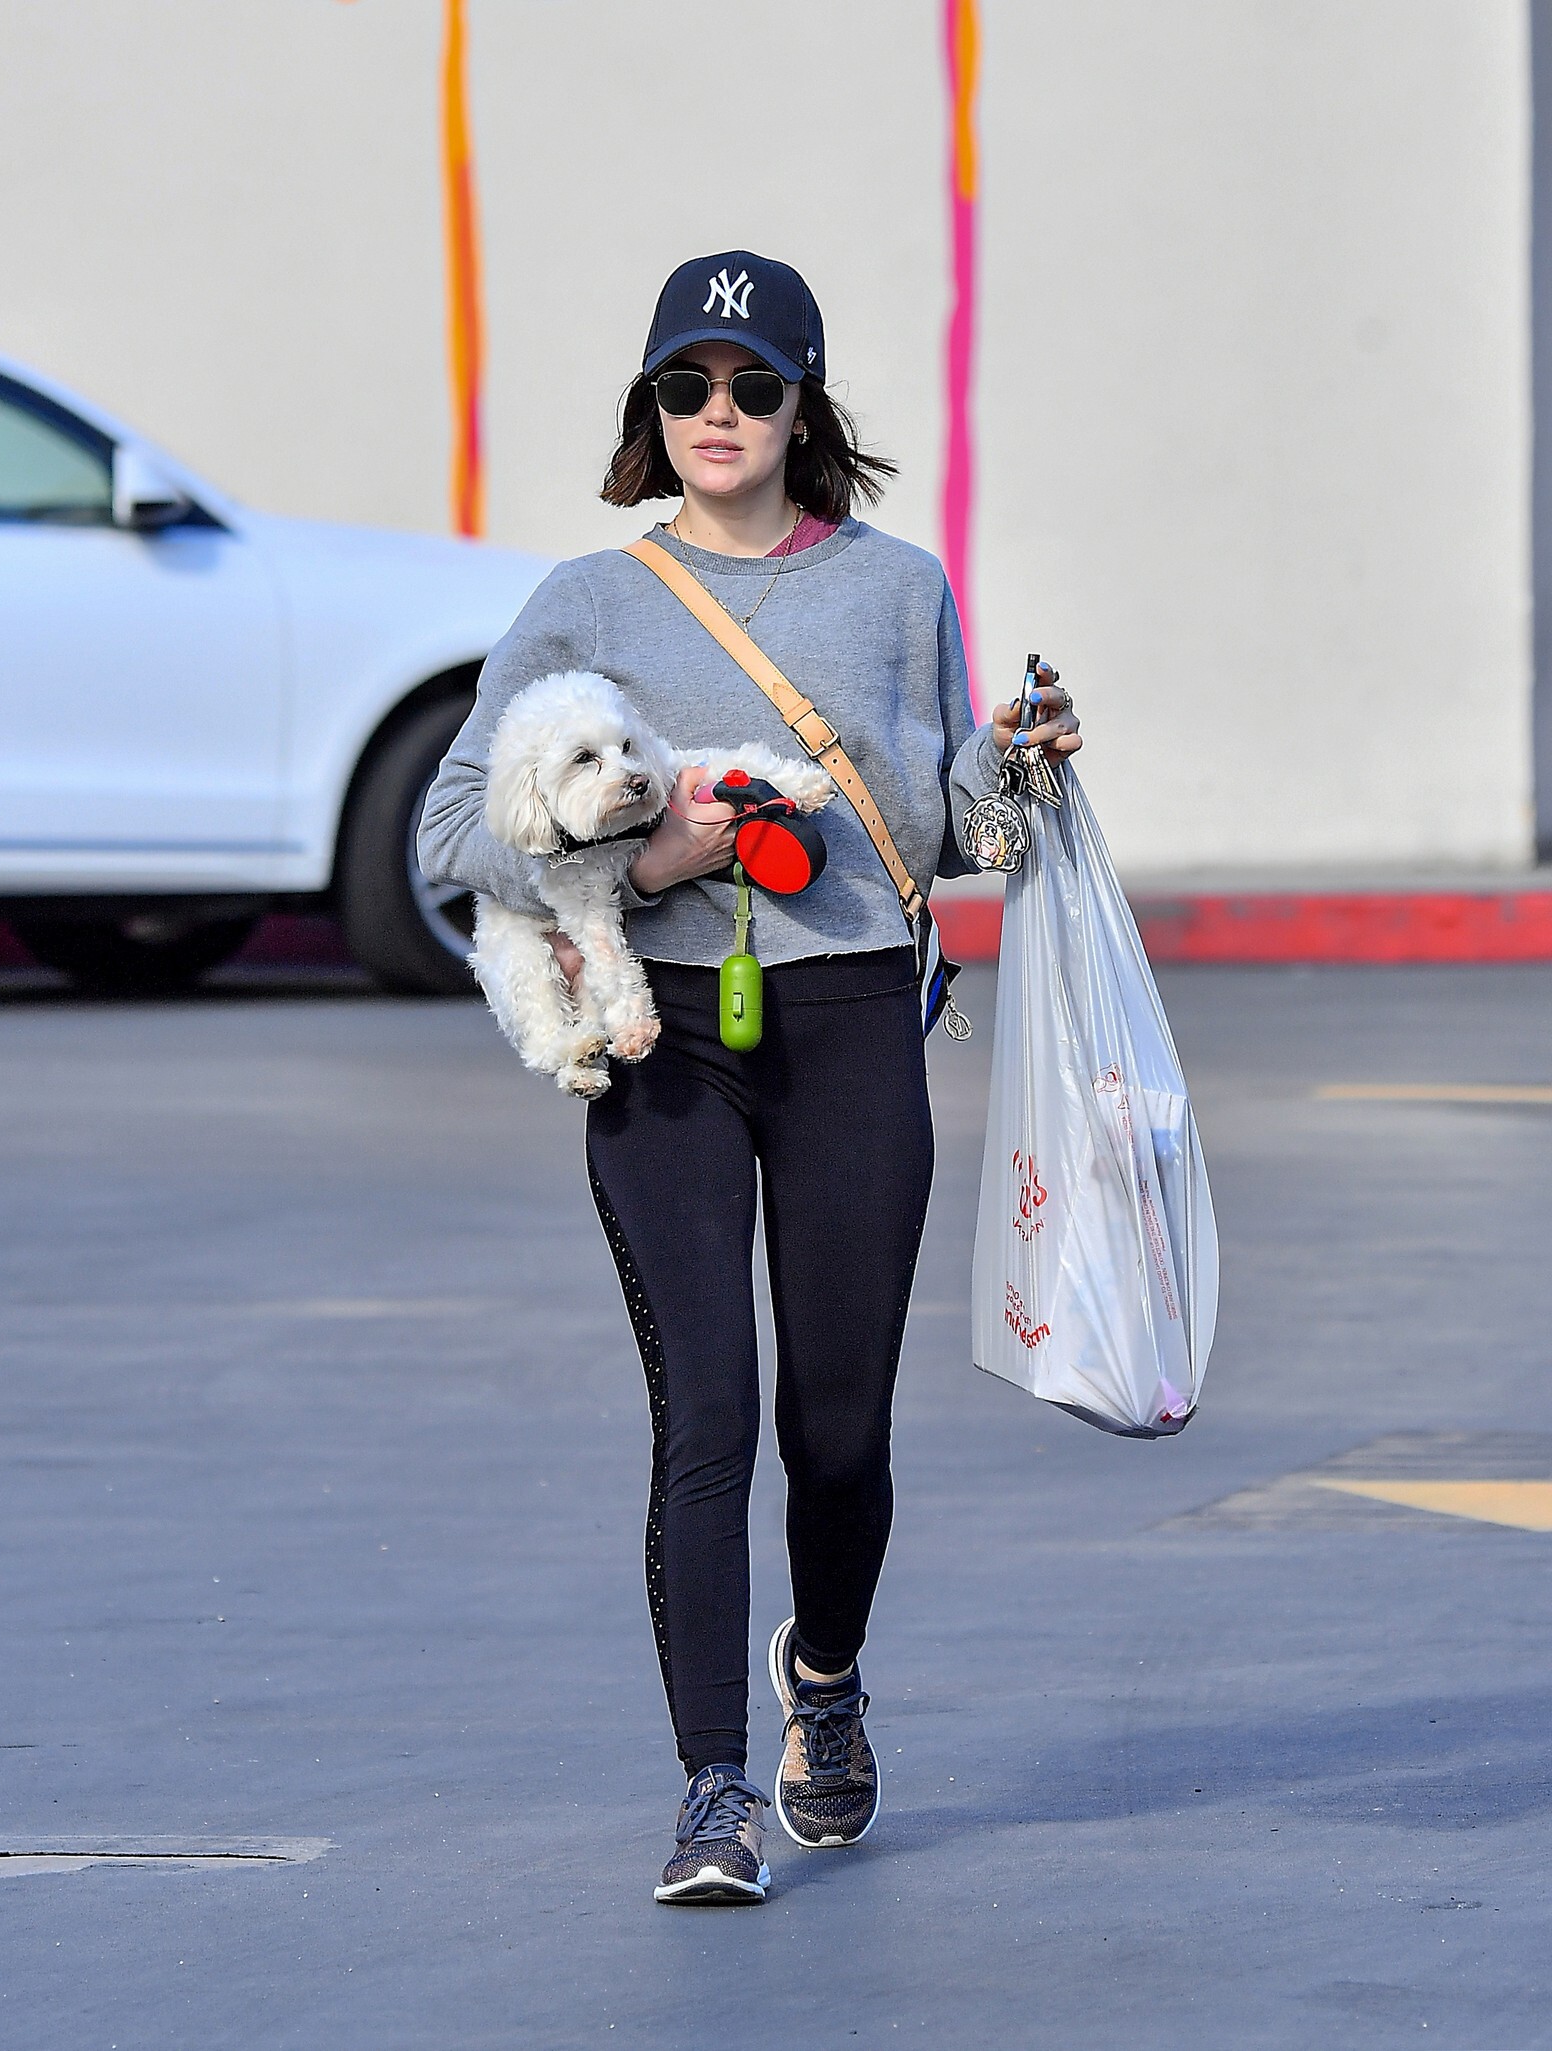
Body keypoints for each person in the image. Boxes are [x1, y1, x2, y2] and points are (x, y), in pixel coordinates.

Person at [418, 250, 1081, 1905]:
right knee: (706, 1413)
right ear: (651, 409)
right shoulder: (585, 599)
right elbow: (449, 832)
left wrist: (1019, 762)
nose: (718, 414)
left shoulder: (897, 586)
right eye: (686, 386)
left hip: (851, 1022)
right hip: (665, 1038)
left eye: (753, 386)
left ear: (804, 406)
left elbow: (951, 833)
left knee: (837, 1429)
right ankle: (711, 1789)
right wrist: (647, 864)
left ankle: (826, 1676)